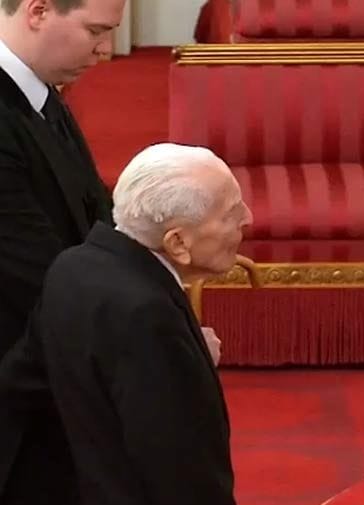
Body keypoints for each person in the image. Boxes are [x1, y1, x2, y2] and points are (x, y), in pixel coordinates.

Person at [11, 143, 251, 505]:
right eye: (231, 213)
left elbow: (21, 384)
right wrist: (183, 359)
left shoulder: (72, 266)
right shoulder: (148, 317)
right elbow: (183, 475)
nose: (246, 218)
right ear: (178, 242)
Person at [0, 0, 125, 502]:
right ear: (38, 11)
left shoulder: (41, 95)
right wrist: (151, 337)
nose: (106, 49)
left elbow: (94, 213)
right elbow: (38, 272)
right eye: (95, 30)